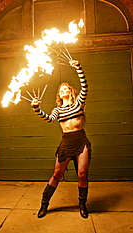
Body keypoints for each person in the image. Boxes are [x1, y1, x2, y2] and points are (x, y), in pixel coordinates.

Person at [31, 59, 91, 218]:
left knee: (82, 174)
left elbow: (85, 86)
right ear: (59, 95)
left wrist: (78, 67)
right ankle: (44, 204)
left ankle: (82, 205)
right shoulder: (58, 110)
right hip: (66, 142)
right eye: (61, 89)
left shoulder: (78, 103)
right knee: (57, 174)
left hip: (81, 141)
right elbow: (49, 118)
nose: (63, 90)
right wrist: (36, 108)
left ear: (70, 91)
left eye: (66, 88)